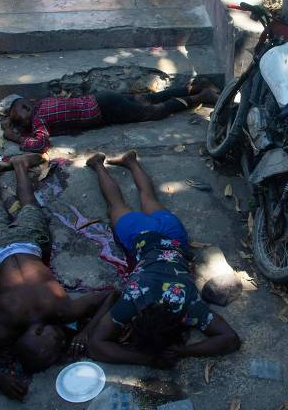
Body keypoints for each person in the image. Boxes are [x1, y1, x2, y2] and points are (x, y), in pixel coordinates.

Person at [0, 153, 117, 400]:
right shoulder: (13, 325)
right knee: (8, 207)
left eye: (56, 341)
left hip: (25, 242)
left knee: (22, 205)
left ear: (37, 333)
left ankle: (6, 169)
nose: (62, 340)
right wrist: (85, 332)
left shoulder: (53, 313)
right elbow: (111, 295)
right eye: (62, 342)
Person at [83, 150, 241, 366]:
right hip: (142, 236)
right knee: (131, 203)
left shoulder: (184, 303)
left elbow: (97, 344)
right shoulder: (135, 300)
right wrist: (181, 352)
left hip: (173, 236)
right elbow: (230, 339)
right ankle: (112, 163)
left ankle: (111, 164)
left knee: (122, 204)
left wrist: (157, 356)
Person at [2, 78, 220, 153]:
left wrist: (16, 137)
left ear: (29, 104)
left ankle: (202, 95)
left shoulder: (38, 118)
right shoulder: (41, 105)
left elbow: (41, 144)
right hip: (102, 100)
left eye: (21, 107)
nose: (22, 113)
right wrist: (15, 126)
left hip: (104, 109)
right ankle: (190, 88)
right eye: (18, 116)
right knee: (148, 100)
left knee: (153, 112)